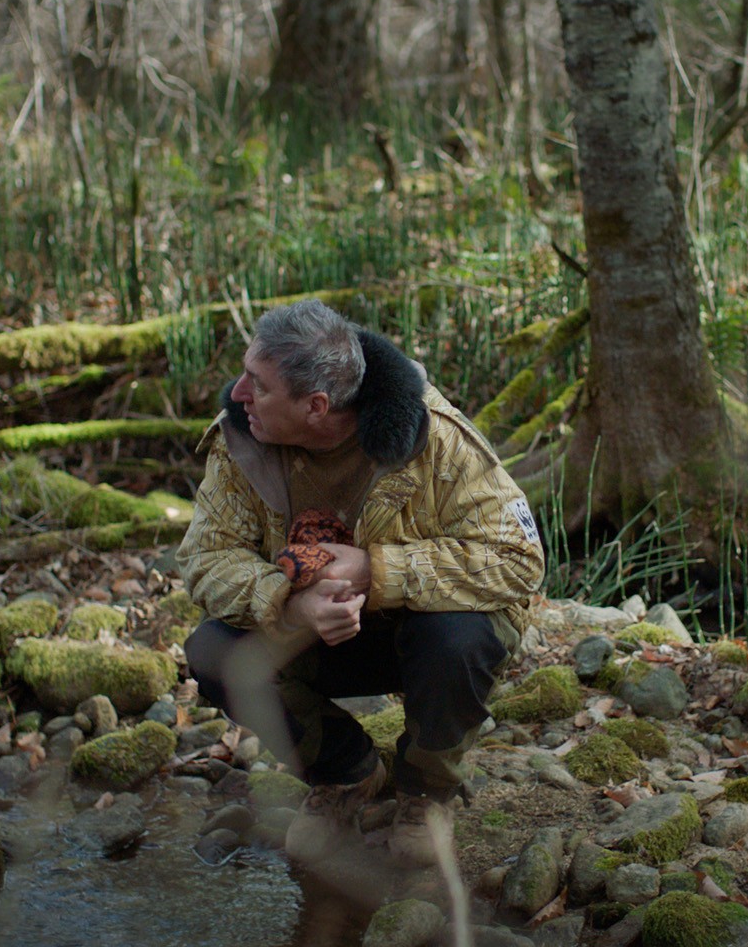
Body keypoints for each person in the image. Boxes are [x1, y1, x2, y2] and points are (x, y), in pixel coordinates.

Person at [177, 299, 544, 868]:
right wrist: (289, 603)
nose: (238, 393)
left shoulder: (435, 437)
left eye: (258, 385)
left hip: (418, 637)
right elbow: (204, 557)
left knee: (460, 638)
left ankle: (425, 793)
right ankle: (345, 773)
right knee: (211, 650)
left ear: (316, 406)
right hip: (317, 635)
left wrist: (378, 570)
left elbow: (519, 559)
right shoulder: (243, 438)